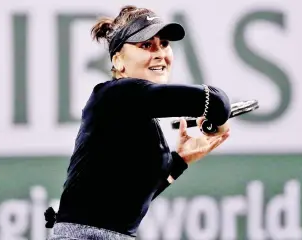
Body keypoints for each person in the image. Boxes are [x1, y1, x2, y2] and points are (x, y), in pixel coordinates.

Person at [45, 5, 231, 240]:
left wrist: (180, 161)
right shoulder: (117, 94)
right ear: (118, 60)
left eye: (164, 44)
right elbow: (215, 101)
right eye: (146, 45)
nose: (159, 53)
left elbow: (126, 200)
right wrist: (220, 122)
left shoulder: (133, 111)